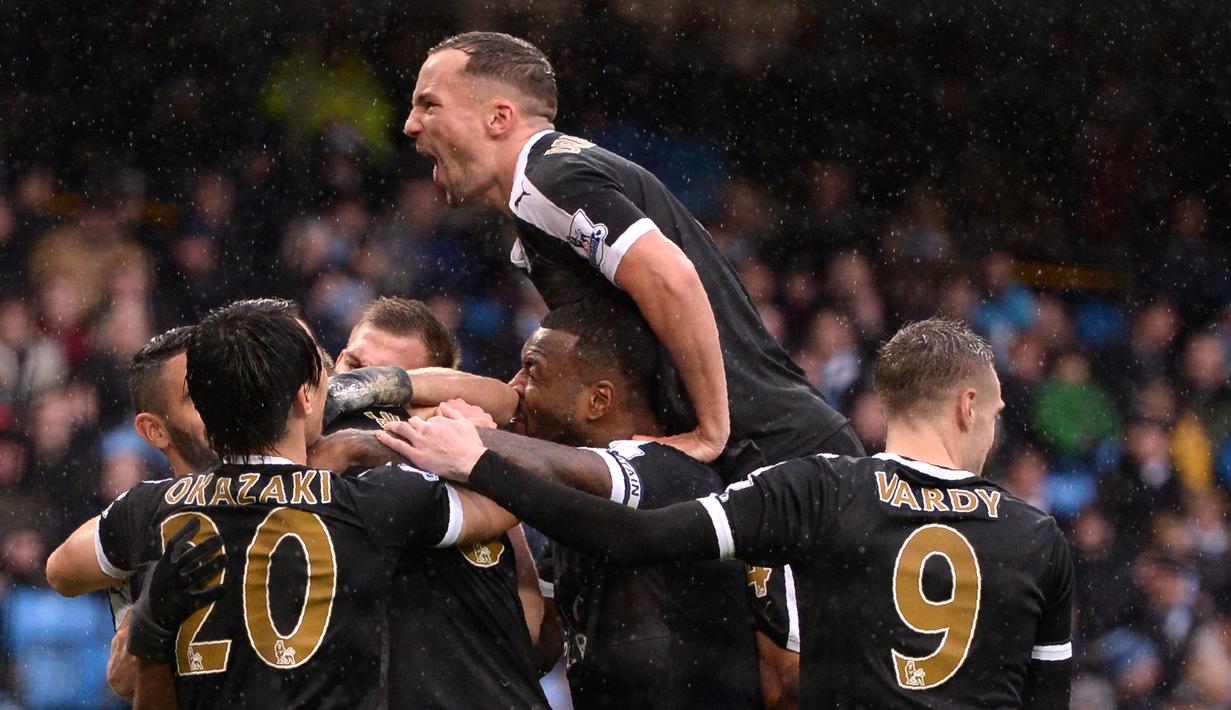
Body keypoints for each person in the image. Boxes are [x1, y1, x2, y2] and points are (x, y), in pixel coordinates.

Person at [380, 318, 1075, 708]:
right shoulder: (1037, 537)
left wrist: (480, 465)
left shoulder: (818, 489)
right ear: (967, 406)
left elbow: (634, 536)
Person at [402, 31, 863, 471]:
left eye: (429, 104)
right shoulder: (540, 207)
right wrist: (416, 395)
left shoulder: (547, 177)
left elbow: (673, 278)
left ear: (498, 118)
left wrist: (710, 432)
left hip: (781, 451)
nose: (411, 125)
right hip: (769, 452)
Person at [45, 301, 525, 708]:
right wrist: (455, 441)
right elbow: (508, 498)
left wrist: (150, 622)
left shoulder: (150, 509)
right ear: (304, 394)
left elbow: (60, 571)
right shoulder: (371, 503)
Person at [106, 326, 219, 700]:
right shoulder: (144, 519)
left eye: (216, 383)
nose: (218, 400)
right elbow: (123, 680)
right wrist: (152, 617)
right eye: (194, 395)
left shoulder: (308, 478)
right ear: (154, 430)